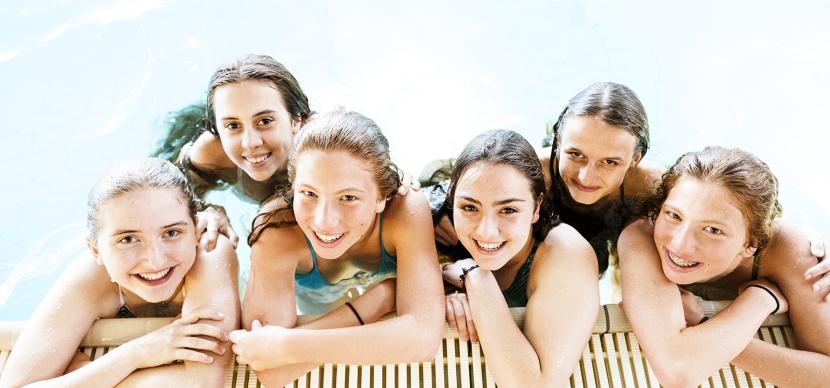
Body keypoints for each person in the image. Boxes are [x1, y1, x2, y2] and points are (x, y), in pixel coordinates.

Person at [229, 111, 443, 387]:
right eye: (309, 193)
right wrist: (379, 299)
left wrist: (285, 345)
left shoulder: (405, 209)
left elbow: (424, 340)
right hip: (317, 302)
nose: (324, 221)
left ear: (382, 197)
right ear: (293, 187)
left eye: (348, 197)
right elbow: (271, 372)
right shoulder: (276, 231)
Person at [0, 158, 239, 388]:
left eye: (172, 233)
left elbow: (202, 384)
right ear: (96, 250)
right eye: (128, 239)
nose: (154, 260)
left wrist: (85, 374)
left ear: (195, 230)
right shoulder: (92, 277)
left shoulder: (209, 251)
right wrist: (137, 353)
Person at [618, 146, 830, 387]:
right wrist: (762, 299)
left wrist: (703, 325)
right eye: (674, 215)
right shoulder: (643, 236)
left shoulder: (791, 252)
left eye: (712, 230)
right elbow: (677, 371)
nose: (680, 244)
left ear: (752, 244)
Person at [441, 130, 598, 387]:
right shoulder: (440, 231)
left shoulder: (567, 253)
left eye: (508, 210)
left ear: (536, 208)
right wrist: (444, 285)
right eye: (469, 207)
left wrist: (475, 276)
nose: (486, 231)